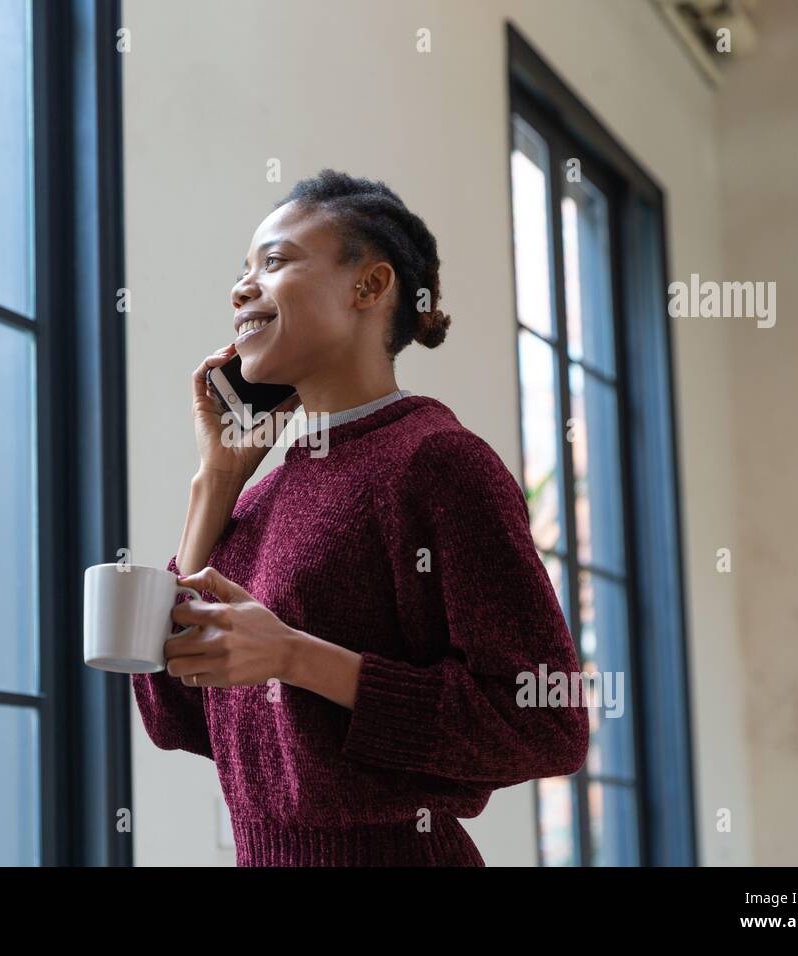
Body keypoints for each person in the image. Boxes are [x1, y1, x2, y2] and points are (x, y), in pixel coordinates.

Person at [132, 168, 589, 866]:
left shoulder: (439, 464)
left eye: (275, 261)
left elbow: (547, 722)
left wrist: (293, 655)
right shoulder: (254, 499)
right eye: (242, 270)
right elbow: (174, 717)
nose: (242, 287)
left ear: (370, 287)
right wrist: (215, 483)